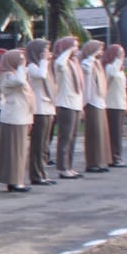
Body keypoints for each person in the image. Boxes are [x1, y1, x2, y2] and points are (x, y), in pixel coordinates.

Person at [0, 48, 34, 192]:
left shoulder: (13, 74)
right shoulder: (7, 76)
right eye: (19, 59)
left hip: (21, 116)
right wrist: (21, 67)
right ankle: (14, 181)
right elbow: (20, 81)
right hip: (13, 117)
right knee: (14, 151)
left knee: (20, 151)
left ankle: (16, 179)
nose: (22, 62)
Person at [23, 39, 56, 187]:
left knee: (44, 145)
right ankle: (36, 174)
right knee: (37, 144)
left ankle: (43, 173)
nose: (48, 54)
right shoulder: (32, 67)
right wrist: (44, 60)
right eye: (45, 50)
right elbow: (41, 76)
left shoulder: (45, 66)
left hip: (47, 107)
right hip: (38, 109)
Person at [51, 36, 84, 179]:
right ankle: (62, 168)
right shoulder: (61, 63)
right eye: (73, 47)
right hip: (65, 104)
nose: (76, 49)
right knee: (65, 137)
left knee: (73, 137)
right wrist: (68, 50)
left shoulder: (74, 63)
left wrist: (81, 106)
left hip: (75, 103)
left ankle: (69, 166)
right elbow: (59, 63)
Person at [81, 39, 110, 173]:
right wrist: (91, 56)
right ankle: (92, 163)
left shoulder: (97, 64)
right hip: (91, 101)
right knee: (94, 134)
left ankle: (101, 161)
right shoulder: (88, 63)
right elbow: (86, 68)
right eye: (99, 49)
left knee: (101, 134)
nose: (101, 52)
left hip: (100, 101)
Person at [105, 43, 127, 167]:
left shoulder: (119, 68)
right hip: (111, 104)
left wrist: (125, 104)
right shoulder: (109, 67)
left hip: (119, 103)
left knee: (118, 132)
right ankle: (114, 157)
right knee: (114, 133)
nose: (122, 57)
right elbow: (112, 73)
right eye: (120, 54)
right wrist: (118, 60)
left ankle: (117, 156)